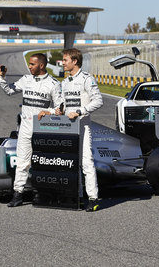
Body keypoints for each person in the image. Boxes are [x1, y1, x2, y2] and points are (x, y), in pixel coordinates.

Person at [0, 53, 63, 207]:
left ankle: (41, 193)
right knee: (22, 162)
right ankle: (18, 194)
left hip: (44, 129)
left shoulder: (54, 83)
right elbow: (9, 90)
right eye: (29, 64)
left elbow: (61, 107)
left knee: (42, 163)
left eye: (32, 64)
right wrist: (2, 77)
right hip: (26, 128)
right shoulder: (26, 80)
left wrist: (49, 112)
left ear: (41, 65)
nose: (29, 66)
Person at [57, 48, 103, 212]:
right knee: (71, 164)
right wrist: (59, 110)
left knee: (86, 162)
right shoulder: (65, 82)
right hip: (68, 127)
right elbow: (63, 103)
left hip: (83, 125)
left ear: (74, 61)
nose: (63, 63)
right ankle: (77, 197)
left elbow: (98, 100)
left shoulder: (86, 79)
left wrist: (80, 111)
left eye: (65, 60)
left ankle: (93, 198)